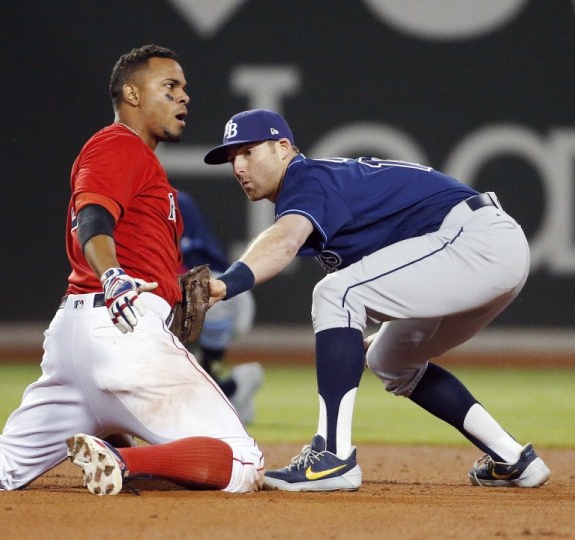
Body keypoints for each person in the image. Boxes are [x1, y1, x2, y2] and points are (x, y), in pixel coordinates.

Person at [0, 45, 264, 496]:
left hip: (77, 334)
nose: (184, 97)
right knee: (244, 460)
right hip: (123, 326)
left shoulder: (143, 165)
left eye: (185, 89)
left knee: (5, 466)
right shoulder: (117, 144)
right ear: (131, 94)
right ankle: (121, 461)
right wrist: (113, 275)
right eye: (170, 86)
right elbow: (92, 216)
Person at [203, 108, 550, 491]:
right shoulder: (322, 185)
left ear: (283, 148)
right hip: (483, 250)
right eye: (232, 158)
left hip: (476, 241)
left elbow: (283, 242)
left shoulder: (307, 177)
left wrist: (225, 284)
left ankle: (332, 457)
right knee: (390, 359)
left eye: (248, 151)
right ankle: (513, 457)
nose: (238, 166)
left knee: (336, 293)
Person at [178, 190, 263, 425]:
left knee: (202, 294)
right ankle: (230, 390)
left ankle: (213, 379)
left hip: (223, 299)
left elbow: (204, 271)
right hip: (165, 303)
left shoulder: (174, 201)